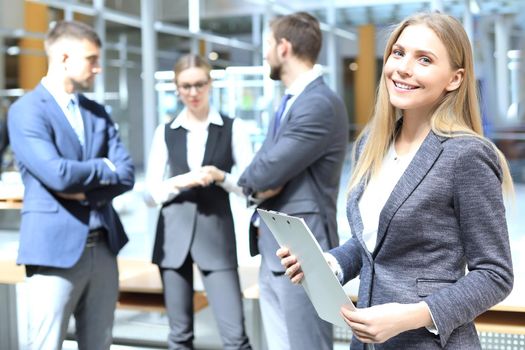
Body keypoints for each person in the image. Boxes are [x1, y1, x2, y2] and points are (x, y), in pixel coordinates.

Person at [278, 12, 514, 350]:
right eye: (398, 53)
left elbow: (494, 275)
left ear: (455, 78)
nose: (403, 68)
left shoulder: (465, 155)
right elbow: (374, 247)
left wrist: (410, 316)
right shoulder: (371, 144)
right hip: (367, 343)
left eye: (425, 59)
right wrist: (329, 263)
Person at [7, 21, 135, 350]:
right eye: (91, 59)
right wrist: (103, 167)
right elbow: (58, 175)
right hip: (53, 252)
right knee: (45, 345)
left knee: (100, 344)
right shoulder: (26, 111)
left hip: (104, 249)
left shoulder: (97, 113)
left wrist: (83, 184)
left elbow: (126, 174)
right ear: (64, 57)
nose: (98, 67)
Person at [237, 12, 349, 350]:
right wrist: (260, 179)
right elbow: (265, 170)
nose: (264, 53)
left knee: (306, 345)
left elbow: (262, 172)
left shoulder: (319, 104)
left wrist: (255, 179)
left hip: (303, 248)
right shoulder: (291, 102)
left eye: (268, 44)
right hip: (277, 247)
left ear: (284, 48)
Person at [145, 54, 253, 350]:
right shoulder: (165, 131)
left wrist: (220, 176)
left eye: (199, 84)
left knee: (235, 337)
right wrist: (182, 180)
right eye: (186, 86)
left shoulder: (234, 128)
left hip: (216, 238)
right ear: (176, 88)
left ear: (210, 83)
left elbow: (249, 188)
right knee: (179, 337)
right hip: (172, 240)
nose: (193, 92)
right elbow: (149, 195)